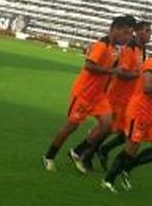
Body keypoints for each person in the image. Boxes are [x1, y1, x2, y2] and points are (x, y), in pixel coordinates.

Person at [43, 15, 135, 171]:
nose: (128, 37)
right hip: (84, 94)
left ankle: (77, 151)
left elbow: (112, 69)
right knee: (71, 126)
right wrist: (113, 70)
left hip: (99, 96)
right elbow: (89, 66)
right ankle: (49, 156)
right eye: (126, 33)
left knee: (107, 125)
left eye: (130, 34)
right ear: (115, 29)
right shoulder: (102, 45)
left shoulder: (115, 49)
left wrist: (120, 70)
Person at [101, 27, 152, 192]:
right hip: (140, 111)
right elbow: (148, 88)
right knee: (131, 149)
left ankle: (127, 169)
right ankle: (108, 180)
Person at [94, 20, 152, 168]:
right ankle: (86, 152)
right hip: (117, 96)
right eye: (147, 31)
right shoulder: (130, 48)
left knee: (124, 131)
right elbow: (122, 73)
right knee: (108, 129)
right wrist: (137, 75)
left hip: (130, 98)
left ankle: (102, 150)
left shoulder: (142, 49)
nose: (150, 34)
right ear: (138, 32)